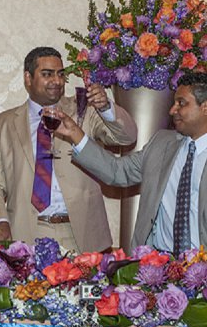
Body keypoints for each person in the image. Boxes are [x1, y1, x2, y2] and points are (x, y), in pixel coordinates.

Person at [0, 46, 137, 252]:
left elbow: (127, 137)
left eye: (60, 74)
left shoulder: (83, 110)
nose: (57, 81)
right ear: (28, 78)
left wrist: (106, 107)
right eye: (47, 74)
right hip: (26, 234)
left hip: (81, 234)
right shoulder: (4, 124)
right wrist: (0, 220)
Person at [56, 72, 207, 256]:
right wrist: (75, 134)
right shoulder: (162, 143)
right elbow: (117, 172)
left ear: (205, 107)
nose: (172, 110)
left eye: (181, 103)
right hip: (159, 265)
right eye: (174, 103)